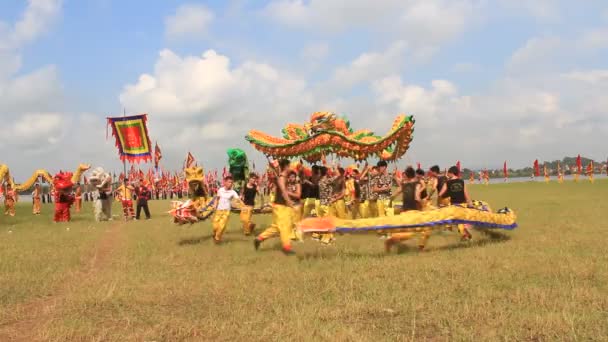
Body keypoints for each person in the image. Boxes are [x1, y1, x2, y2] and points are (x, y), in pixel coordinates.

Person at [254, 159, 297, 255]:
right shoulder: (282, 177)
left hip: (282, 206)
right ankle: (287, 247)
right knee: (284, 226)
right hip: (280, 206)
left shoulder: (283, 176)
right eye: (289, 166)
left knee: (277, 227)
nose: (291, 167)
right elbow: (283, 191)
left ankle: (259, 238)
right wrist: (290, 202)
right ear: (286, 166)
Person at [385, 167, 430, 251]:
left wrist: (390, 202)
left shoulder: (404, 185)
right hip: (413, 212)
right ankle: (392, 240)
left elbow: (394, 195)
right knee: (423, 230)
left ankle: (392, 239)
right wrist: (422, 206)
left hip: (404, 212)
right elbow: (417, 198)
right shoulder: (417, 184)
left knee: (405, 230)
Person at [439, 166, 473, 240]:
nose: (447, 174)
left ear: (451, 173)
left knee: (458, 221)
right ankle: (465, 234)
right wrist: (470, 203)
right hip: (463, 204)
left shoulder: (447, 183)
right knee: (461, 220)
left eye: (448, 173)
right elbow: (466, 193)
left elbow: (440, 194)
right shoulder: (461, 181)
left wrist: (448, 193)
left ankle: (465, 234)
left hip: (455, 204)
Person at [212, 176, 240, 243]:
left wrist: (242, 205)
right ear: (225, 182)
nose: (230, 184)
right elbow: (217, 199)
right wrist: (215, 205)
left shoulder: (233, 192)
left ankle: (217, 238)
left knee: (221, 226)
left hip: (226, 211)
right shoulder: (220, 190)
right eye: (229, 182)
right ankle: (215, 234)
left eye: (231, 182)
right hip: (218, 210)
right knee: (215, 226)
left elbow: (238, 199)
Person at [286, 170, 303, 241]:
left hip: (296, 206)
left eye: (293, 177)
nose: (291, 178)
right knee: (289, 222)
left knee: (297, 223)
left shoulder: (297, 185)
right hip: (289, 206)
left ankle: (299, 238)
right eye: (290, 177)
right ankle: (291, 236)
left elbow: (298, 195)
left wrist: (288, 192)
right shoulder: (286, 185)